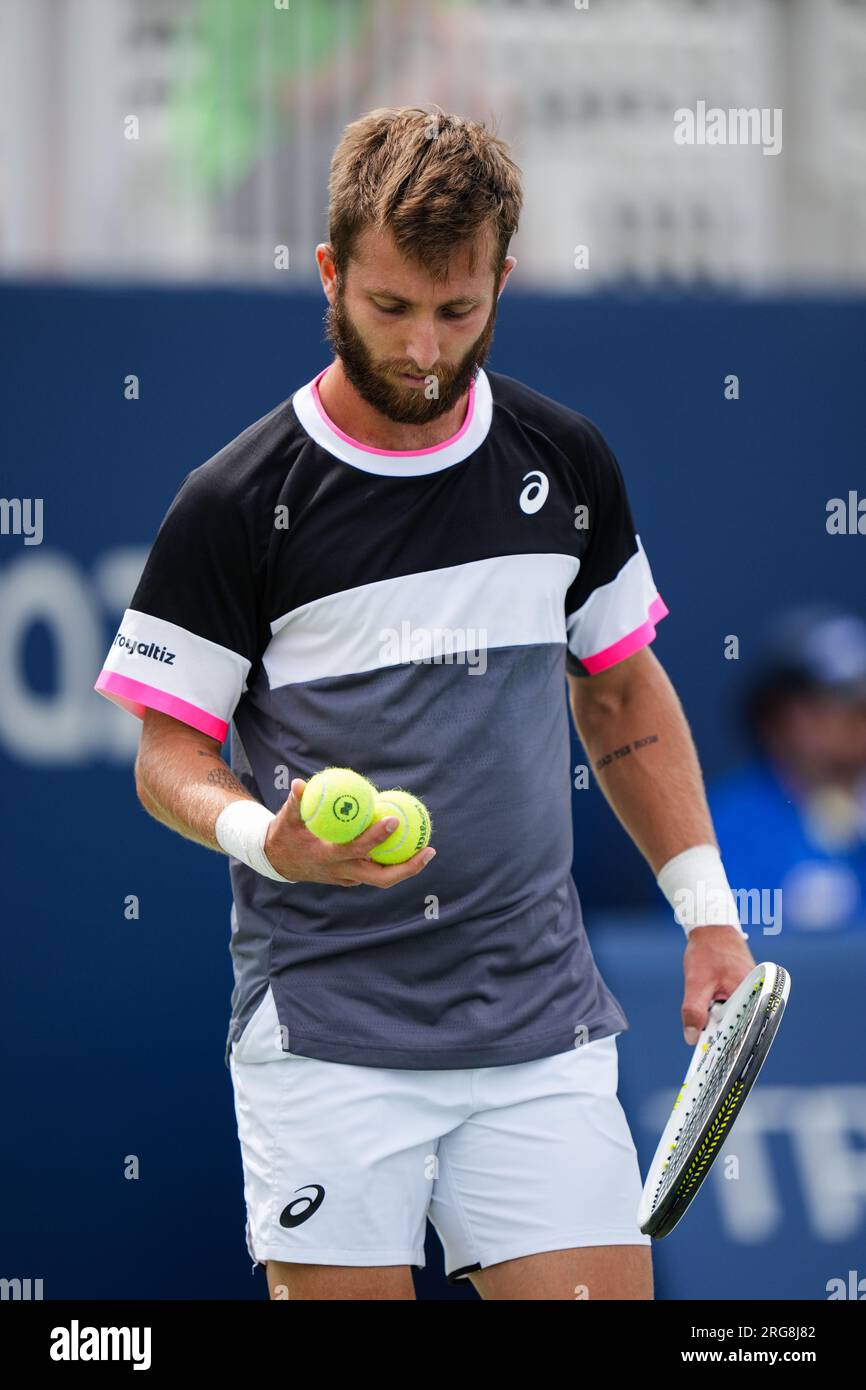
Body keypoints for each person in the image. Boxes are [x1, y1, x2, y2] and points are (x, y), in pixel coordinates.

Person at [93, 105, 753, 1301]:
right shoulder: (237, 501)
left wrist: (704, 910)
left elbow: (618, 694)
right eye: (389, 308)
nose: (422, 351)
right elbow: (165, 753)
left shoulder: (568, 464)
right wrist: (265, 838)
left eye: (458, 312)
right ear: (330, 274)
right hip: (327, 1037)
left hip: (541, 1029)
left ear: (502, 278)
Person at [709, 605, 866, 932]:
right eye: (830, 706)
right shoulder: (720, 823)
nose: (854, 723)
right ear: (775, 720)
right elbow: (706, 949)